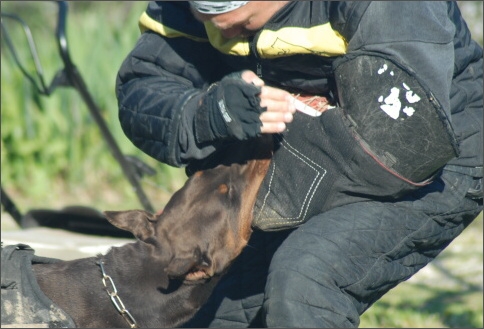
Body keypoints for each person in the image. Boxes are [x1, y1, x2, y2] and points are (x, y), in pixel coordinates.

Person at [116, 1, 483, 327]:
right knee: (209, 308)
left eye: (242, 25)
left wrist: (250, 200)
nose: (225, 35)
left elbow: (402, 134)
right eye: (209, 22)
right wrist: (207, 113)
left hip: (435, 150)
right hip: (294, 149)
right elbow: (147, 84)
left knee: (304, 280)